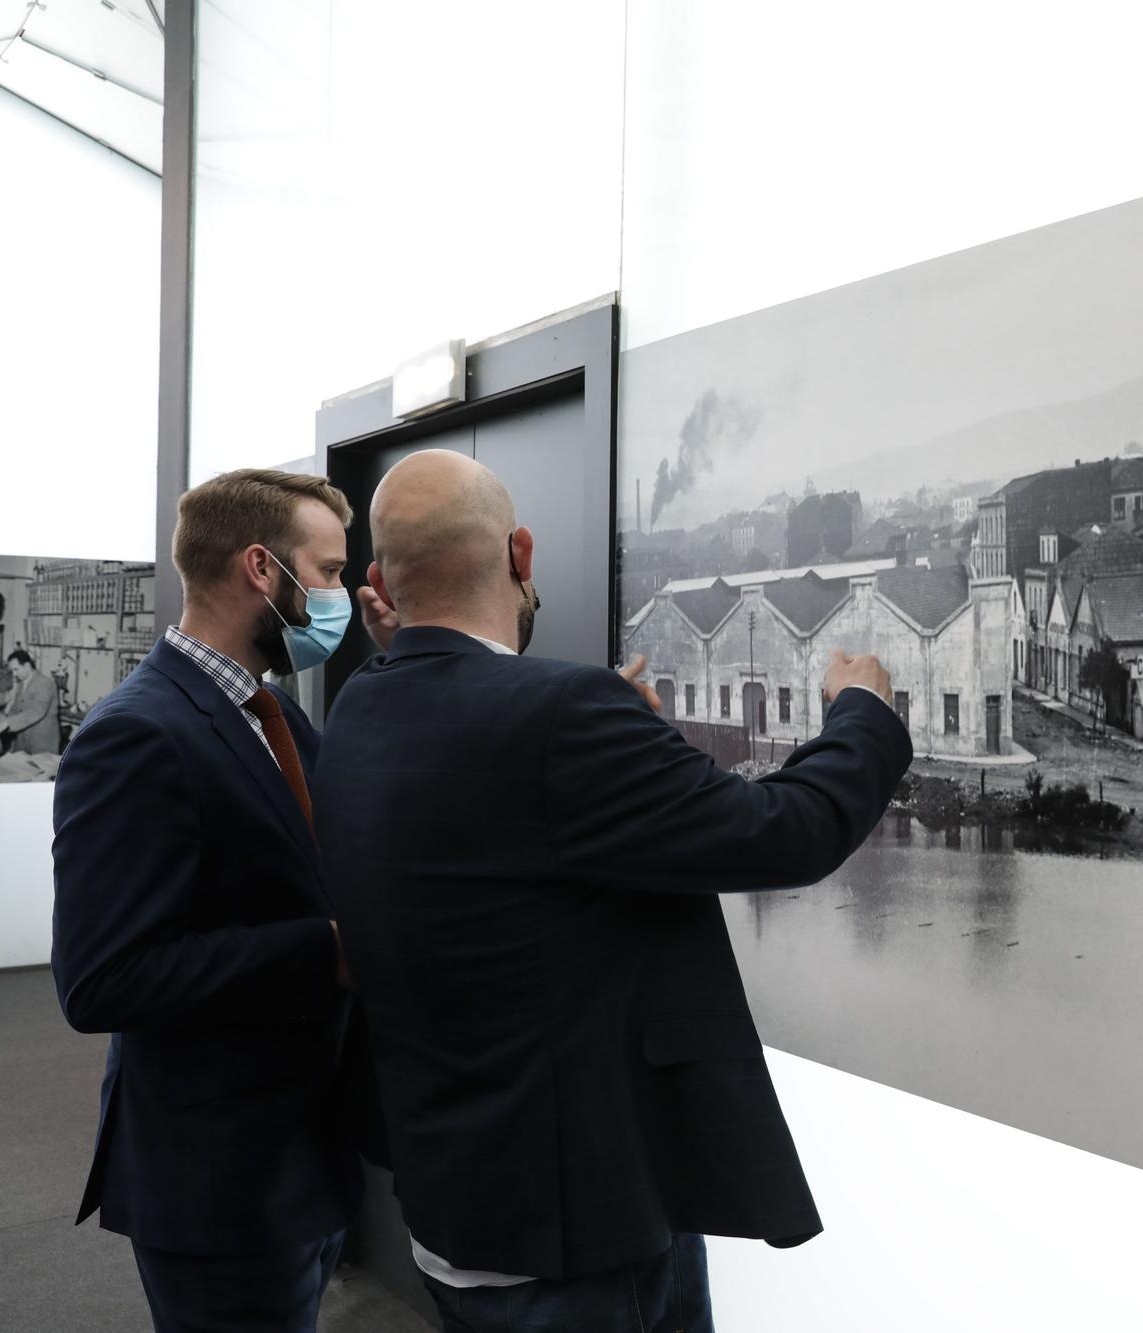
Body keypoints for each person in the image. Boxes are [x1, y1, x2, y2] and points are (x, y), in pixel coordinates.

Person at [315, 449, 912, 1333]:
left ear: (378, 581)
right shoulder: (560, 716)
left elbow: (496, 792)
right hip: (578, 1246)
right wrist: (862, 710)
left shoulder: (364, 703)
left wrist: (611, 738)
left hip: (454, 1210)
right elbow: (787, 829)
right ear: (521, 552)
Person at [50, 468, 400, 1333]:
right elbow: (101, 979)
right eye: (324, 573)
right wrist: (325, 950)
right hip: (217, 1183)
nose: (340, 596)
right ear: (259, 569)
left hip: (302, 1161)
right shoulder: (136, 733)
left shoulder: (274, 711)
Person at [0, 649, 60, 754]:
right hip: (22, 741)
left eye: (16, 669)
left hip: (42, 742)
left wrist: (6, 723)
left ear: (27, 665)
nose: (14, 674)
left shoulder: (45, 683)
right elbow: (17, 709)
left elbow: (37, 711)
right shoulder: (21, 683)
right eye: (12, 670)